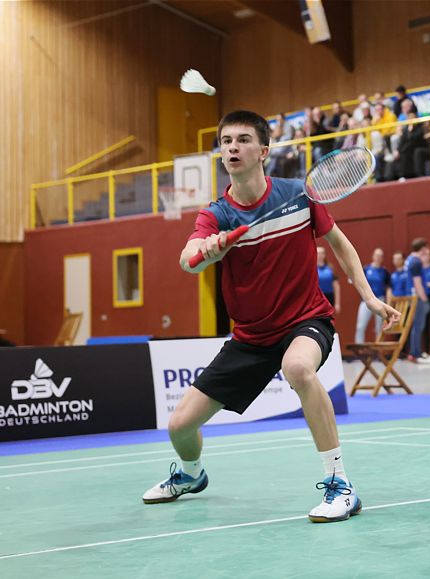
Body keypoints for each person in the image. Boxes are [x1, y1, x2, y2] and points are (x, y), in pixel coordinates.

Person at [143, 111, 400, 523]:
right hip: (250, 338)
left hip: (304, 321)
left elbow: (340, 243)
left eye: (242, 140)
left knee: (297, 368)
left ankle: (340, 484)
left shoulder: (299, 195)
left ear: (263, 151)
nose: (232, 147)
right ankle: (192, 474)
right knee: (179, 425)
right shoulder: (217, 215)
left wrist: (367, 296)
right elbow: (186, 261)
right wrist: (208, 251)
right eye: (226, 141)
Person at [355, 248, 391, 343]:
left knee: (379, 327)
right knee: (360, 326)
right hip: (366, 301)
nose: (378, 258)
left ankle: (378, 351)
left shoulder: (385, 272)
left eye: (380, 256)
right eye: (377, 255)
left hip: (380, 300)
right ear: (373, 256)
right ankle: (359, 350)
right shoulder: (366, 269)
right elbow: (358, 282)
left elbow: (388, 288)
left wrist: (388, 302)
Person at [405, 238, 430, 361]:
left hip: (411, 297)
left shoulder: (409, 260)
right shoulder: (416, 262)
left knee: (415, 325)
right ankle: (416, 353)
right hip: (418, 298)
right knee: (418, 325)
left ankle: (414, 352)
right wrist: (424, 299)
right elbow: (417, 282)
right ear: (423, 248)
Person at [316, 246, 340, 312]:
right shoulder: (312, 268)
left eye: (321, 253)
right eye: (318, 253)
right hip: (317, 297)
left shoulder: (330, 268)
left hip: (329, 297)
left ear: (324, 255)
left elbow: (336, 286)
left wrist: (337, 303)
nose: (320, 256)